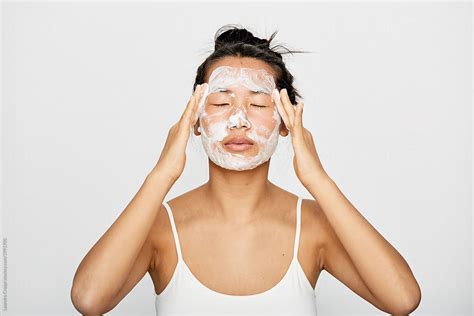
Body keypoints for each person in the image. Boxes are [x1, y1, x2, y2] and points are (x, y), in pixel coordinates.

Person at [70, 25, 421, 315]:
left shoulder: (314, 225)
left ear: (285, 121)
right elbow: (89, 300)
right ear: (195, 120)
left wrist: (317, 179)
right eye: (221, 102)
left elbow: (402, 300)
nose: (238, 120)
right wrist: (162, 174)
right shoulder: (158, 226)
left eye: (257, 103)